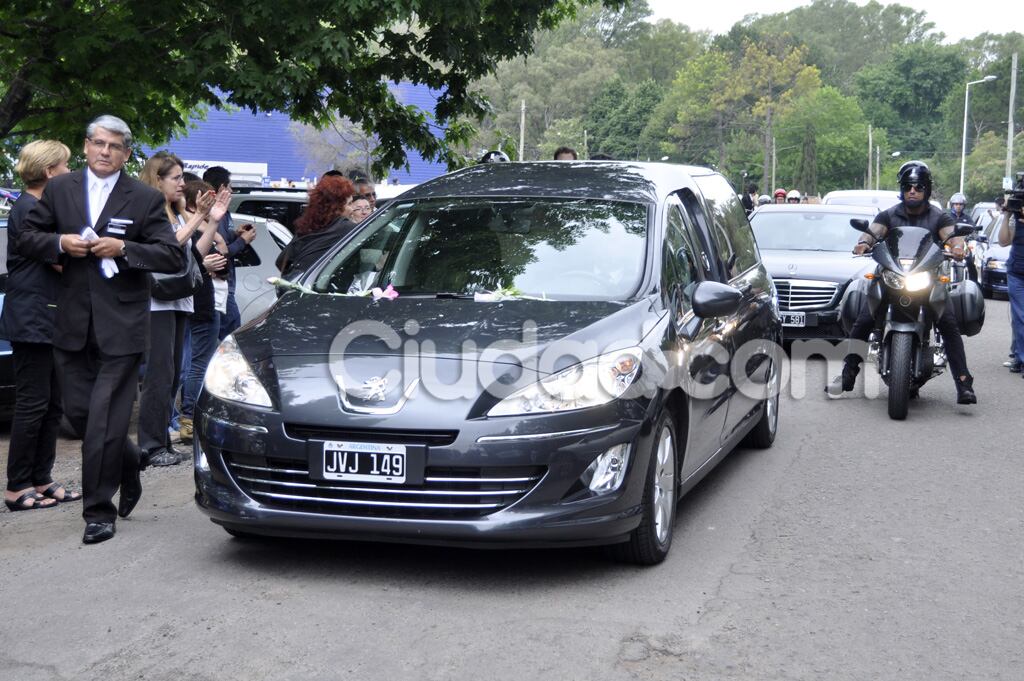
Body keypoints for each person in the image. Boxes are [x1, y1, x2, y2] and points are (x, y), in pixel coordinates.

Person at [17, 115, 184, 544]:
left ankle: (98, 512)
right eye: (97, 143)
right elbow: (27, 237)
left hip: (123, 324)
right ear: (86, 146)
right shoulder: (60, 189)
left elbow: (170, 256)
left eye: (114, 146)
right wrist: (60, 243)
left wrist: (125, 248)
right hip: (71, 320)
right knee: (81, 417)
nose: (104, 151)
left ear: (127, 153)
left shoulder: (144, 198)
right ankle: (128, 460)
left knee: (106, 420)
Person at [828, 161, 977, 404]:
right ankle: (847, 374)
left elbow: (952, 236)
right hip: (890, 278)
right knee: (864, 319)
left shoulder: (939, 217)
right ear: (902, 188)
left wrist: (958, 247)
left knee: (949, 324)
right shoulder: (889, 215)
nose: (912, 191)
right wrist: (863, 242)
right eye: (908, 186)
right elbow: (873, 232)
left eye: (918, 186)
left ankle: (963, 383)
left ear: (926, 189)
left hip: (926, 280)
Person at [136, 152, 225, 467]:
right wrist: (199, 218)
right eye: (175, 177)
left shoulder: (175, 213)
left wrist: (210, 220)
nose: (182, 183)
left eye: (182, 176)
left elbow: (191, 256)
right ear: (157, 180)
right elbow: (167, 249)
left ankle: (161, 440)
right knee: (159, 375)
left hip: (179, 300)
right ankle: (149, 445)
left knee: (172, 373)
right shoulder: (150, 213)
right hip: (157, 303)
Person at [1, 140, 76, 512]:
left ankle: (41, 478)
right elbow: (59, 260)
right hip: (33, 319)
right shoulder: (30, 209)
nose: (69, 172)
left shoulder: (38, 207)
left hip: (49, 318)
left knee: (51, 404)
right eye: (65, 166)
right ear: (49, 172)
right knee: (33, 404)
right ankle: (17, 487)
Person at [201, 166, 256, 341]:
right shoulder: (209, 214)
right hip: (218, 283)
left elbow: (224, 239)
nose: (231, 191)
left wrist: (235, 234)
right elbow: (220, 252)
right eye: (229, 186)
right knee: (232, 338)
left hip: (228, 284)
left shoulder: (225, 214)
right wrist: (243, 241)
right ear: (221, 188)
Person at [275, 175, 357, 280]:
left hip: (296, 289)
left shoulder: (308, 229)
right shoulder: (347, 229)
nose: (353, 209)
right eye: (349, 204)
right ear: (336, 207)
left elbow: (280, 262)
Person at [995, 197, 1024, 379]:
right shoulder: (1016, 220)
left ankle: (1019, 357)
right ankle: (1021, 358)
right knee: (1020, 316)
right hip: (1016, 274)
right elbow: (1003, 241)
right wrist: (1006, 216)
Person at [947, 192, 978, 281]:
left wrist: (974, 235)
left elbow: (973, 229)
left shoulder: (967, 218)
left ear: (964, 206)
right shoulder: (946, 217)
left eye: (960, 204)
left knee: (971, 262)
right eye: (956, 204)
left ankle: (974, 284)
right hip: (949, 244)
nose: (958, 206)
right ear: (952, 205)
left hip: (963, 244)